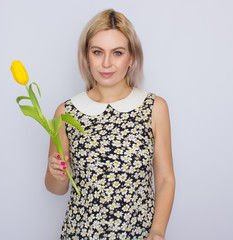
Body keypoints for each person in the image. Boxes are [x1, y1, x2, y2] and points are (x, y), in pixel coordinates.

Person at [45, 9, 175, 240]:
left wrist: (157, 231)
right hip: (80, 234)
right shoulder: (65, 112)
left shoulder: (154, 108)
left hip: (138, 234)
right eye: (97, 52)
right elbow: (56, 188)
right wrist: (58, 176)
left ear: (132, 57)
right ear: (86, 56)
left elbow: (165, 178)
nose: (106, 63)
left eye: (117, 53)